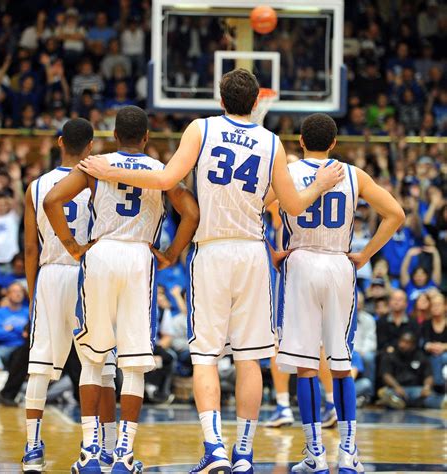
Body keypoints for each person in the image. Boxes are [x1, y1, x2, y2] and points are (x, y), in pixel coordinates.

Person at [78, 68, 344, 473]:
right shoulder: (272, 141)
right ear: (257, 103)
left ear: (220, 99)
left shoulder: (200, 129)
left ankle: (214, 448)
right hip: (253, 252)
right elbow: (291, 205)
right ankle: (244, 454)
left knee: (205, 355)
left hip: (213, 249)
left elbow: (167, 178)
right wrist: (321, 182)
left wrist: (110, 171)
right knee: (250, 359)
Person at [43, 106, 199, 473]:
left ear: (114, 135)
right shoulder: (161, 172)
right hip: (138, 258)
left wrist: (71, 246)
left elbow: (51, 201)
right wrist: (171, 254)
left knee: (93, 358)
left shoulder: (96, 165)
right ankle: (124, 455)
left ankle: (91, 452)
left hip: (100, 254)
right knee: (134, 362)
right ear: (146, 138)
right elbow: (191, 212)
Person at [272, 113, 404, 472]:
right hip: (338, 266)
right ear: (333, 143)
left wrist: (271, 250)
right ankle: (348, 454)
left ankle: (315, 455)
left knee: (306, 367)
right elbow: (396, 214)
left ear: (300, 140)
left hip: (299, 263)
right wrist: (365, 254)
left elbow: (253, 209)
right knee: (341, 364)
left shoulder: (287, 171)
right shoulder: (353, 174)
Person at [21, 118, 117, 472]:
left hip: (50, 274)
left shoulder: (36, 186)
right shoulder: (98, 179)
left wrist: (35, 293)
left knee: (41, 367)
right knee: (100, 366)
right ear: (91, 146)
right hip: (89, 273)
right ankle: (103, 448)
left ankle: (32, 448)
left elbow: (30, 249)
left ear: (60, 142)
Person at [378, 332, 443, 409]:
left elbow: (429, 375)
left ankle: (441, 402)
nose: (402, 345)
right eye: (401, 341)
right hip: (396, 388)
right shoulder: (390, 355)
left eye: (406, 343)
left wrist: (427, 387)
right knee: (389, 394)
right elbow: (386, 375)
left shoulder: (420, 356)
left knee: (429, 397)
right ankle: (394, 402)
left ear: (413, 345)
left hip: (416, 389)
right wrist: (397, 387)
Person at [0, 282, 28, 363]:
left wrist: (13, 328)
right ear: (8, 294)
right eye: (14, 291)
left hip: (25, 347)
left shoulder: (29, 312)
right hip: (5, 347)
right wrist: (21, 332)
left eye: (20, 291)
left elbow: (30, 334)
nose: (18, 294)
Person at [420, 293, 446, 391]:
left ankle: (438, 386)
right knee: (434, 357)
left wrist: (444, 346)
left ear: (445, 306)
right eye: (433, 305)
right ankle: (437, 387)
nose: (435, 307)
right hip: (429, 354)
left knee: (441, 357)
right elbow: (421, 342)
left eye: (438, 305)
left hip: (445, 355)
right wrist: (429, 346)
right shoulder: (426, 324)